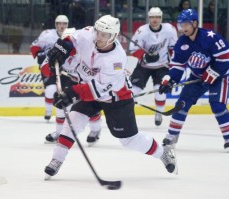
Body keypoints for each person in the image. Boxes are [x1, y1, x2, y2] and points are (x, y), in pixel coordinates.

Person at [43, 15, 178, 179]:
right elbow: (71, 38)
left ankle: (163, 152)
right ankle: (56, 160)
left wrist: (70, 94)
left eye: (104, 35)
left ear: (113, 36)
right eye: (98, 32)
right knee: (72, 121)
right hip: (89, 89)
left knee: (129, 140)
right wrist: (63, 47)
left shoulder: (116, 59)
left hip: (115, 98)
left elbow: (97, 90)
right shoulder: (88, 33)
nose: (99, 37)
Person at [159, 9, 229, 153]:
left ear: (194, 23)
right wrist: (169, 79)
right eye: (180, 25)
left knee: (218, 106)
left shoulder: (210, 37)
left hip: (219, 77)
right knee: (182, 104)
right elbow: (177, 66)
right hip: (197, 77)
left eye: (185, 25)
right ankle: (172, 136)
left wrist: (213, 72)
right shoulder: (182, 42)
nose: (183, 28)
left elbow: (225, 58)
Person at [42, 28, 102, 146]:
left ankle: (95, 130)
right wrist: (50, 68)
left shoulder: (87, 50)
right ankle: (59, 133)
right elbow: (45, 66)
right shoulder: (59, 50)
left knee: (91, 110)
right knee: (61, 105)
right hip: (70, 80)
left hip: (86, 82)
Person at [129, 7, 178, 126]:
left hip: (162, 66)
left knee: (160, 92)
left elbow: (173, 48)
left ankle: (159, 113)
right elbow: (132, 49)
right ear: (148, 18)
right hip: (144, 67)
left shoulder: (169, 29)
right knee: (133, 91)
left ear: (161, 18)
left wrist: (174, 64)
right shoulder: (142, 31)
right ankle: (128, 115)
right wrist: (145, 57)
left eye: (157, 17)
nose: (154, 20)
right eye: (152, 17)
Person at [30, 15, 69, 121]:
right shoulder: (47, 34)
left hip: (65, 68)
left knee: (66, 92)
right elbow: (34, 46)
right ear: (56, 25)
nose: (62, 26)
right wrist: (40, 54)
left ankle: (64, 114)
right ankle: (48, 111)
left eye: (64, 24)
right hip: (48, 66)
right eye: (59, 24)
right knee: (51, 89)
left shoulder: (71, 35)